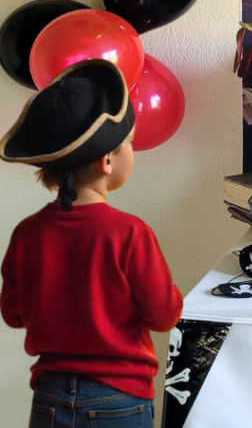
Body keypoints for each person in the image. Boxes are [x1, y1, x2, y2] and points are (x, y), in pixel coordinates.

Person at [0, 60, 182, 427]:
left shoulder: (27, 233)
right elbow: (164, 316)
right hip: (120, 399)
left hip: (49, 397)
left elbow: (13, 315)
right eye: (129, 143)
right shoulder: (130, 233)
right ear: (107, 159)